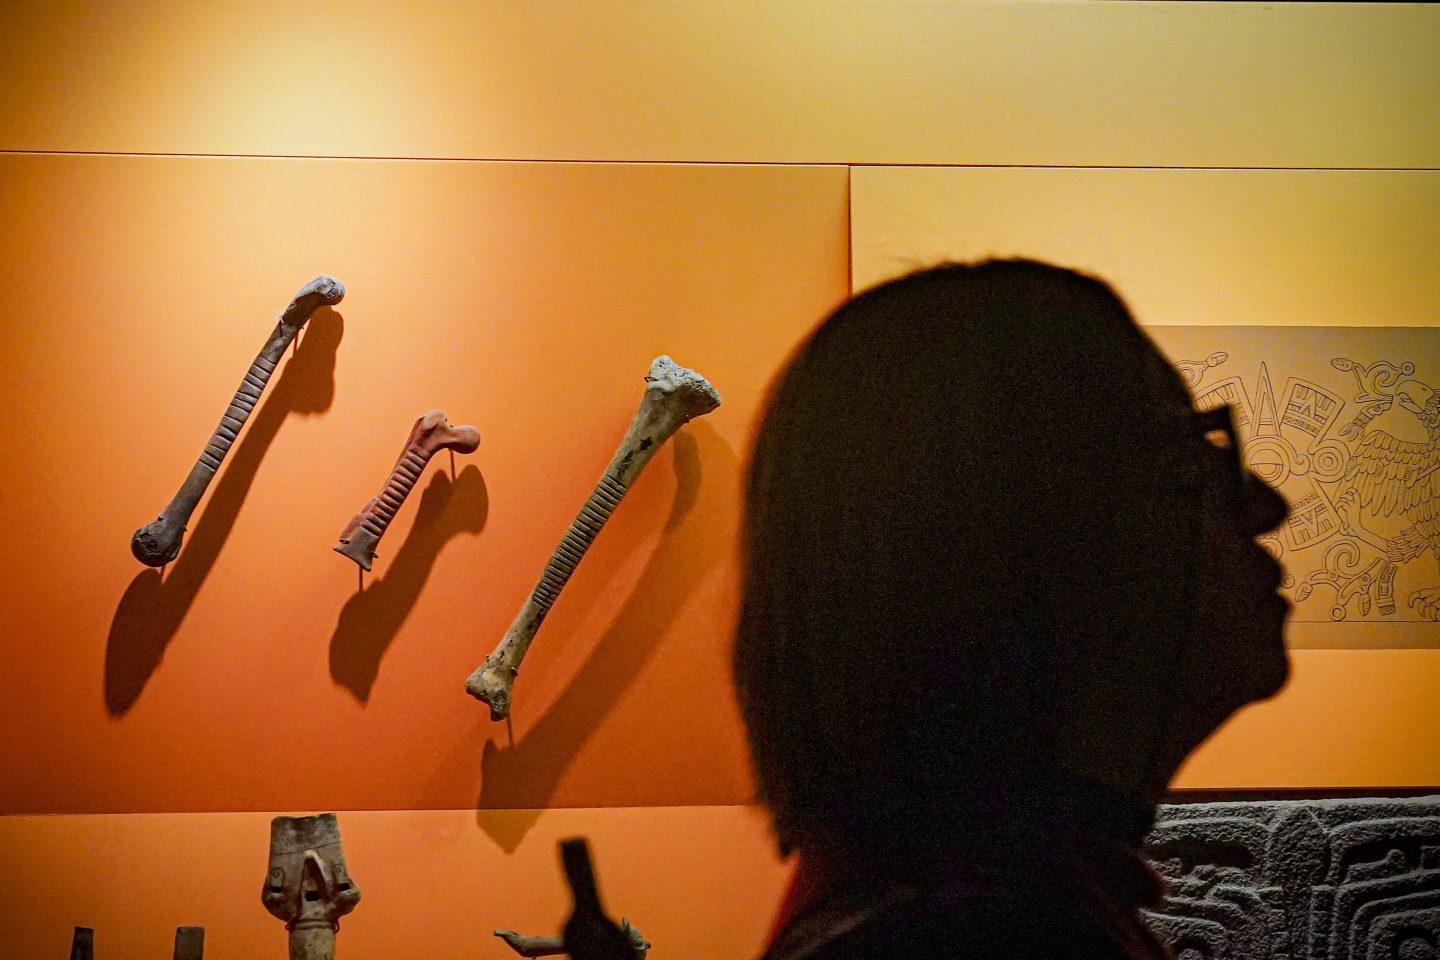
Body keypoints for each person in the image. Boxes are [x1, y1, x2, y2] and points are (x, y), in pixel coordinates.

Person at [733, 259, 1290, 960]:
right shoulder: (976, 939)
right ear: (1036, 532)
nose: (1267, 506)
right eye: (1188, 457)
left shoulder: (946, 911)